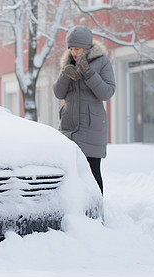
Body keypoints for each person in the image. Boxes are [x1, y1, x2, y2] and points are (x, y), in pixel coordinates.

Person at [53, 26, 116, 195]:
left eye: (77, 48)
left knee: (92, 172)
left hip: (91, 127)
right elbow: (58, 93)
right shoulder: (68, 64)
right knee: (69, 174)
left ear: (87, 47)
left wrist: (88, 73)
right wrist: (65, 75)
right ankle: (75, 211)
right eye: (71, 48)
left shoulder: (102, 62)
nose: (74, 52)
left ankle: (97, 212)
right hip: (69, 127)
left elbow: (107, 92)